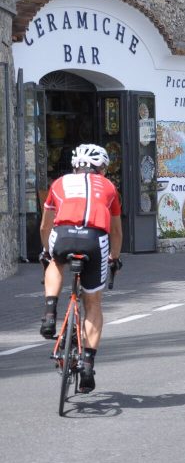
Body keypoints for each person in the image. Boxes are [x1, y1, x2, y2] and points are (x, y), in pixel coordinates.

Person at [39, 143, 123, 394]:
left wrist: (46, 251)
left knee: (55, 260)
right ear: (101, 169)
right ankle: (87, 365)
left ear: (75, 166)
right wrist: (114, 258)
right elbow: (116, 231)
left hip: (63, 235)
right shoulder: (109, 187)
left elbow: (45, 226)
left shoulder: (59, 184)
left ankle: (50, 313)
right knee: (93, 304)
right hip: (95, 240)